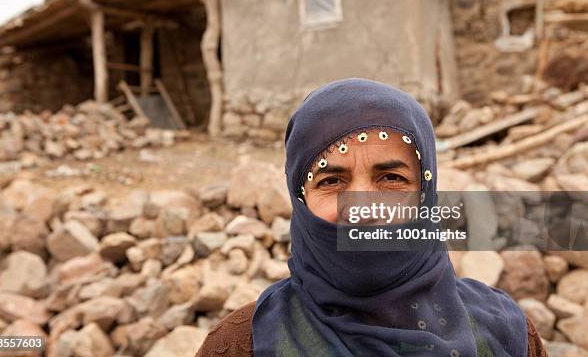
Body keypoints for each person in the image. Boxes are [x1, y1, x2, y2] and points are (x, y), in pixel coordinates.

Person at [196, 78, 547, 356]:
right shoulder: (244, 345)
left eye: (391, 179)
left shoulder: (508, 336)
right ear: (300, 200)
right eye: (332, 181)